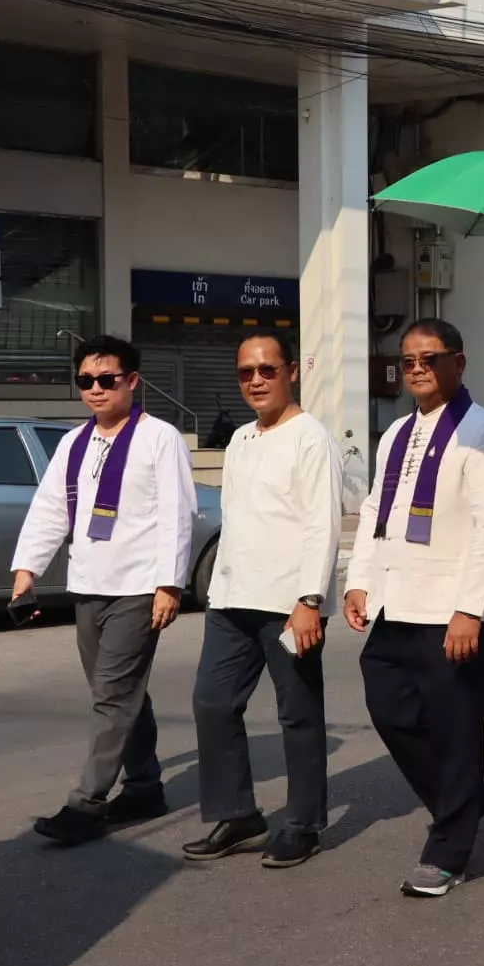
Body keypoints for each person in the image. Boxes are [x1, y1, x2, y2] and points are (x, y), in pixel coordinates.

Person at [345, 320, 484, 896]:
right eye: (408, 360)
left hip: (451, 612)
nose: (416, 368)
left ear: (458, 363)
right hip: (397, 602)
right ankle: (468, 801)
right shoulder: (396, 432)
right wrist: (358, 579)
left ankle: (449, 850)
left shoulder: (483, 433)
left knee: (454, 729)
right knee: (388, 706)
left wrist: (469, 609)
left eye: (429, 358)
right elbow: (376, 510)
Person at [11, 335, 197, 845]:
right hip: (89, 584)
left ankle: (86, 804)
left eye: (107, 380)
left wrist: (169, 584)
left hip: (139, 586)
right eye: (86, 381)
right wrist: (27, 568)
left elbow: (177, 515)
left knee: (113, 696)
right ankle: (143, 787)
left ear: (132, 382)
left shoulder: (160, 438)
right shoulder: (75, 442)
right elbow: (52, 507)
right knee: (117, 692)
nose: (95, 389)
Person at [185, 332, 343, 867]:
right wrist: (216, 589)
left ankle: (303, 823)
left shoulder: (311, 438)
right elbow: (236, 521)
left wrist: (310, 599)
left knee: (297, 714)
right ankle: (239, 816)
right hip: (232, 598)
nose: (255, 380)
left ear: (290, 372)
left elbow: (323, 524)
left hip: (287, 601)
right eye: (245, 372)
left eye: (266, 370)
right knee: (212, 701)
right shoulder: (241, 441)